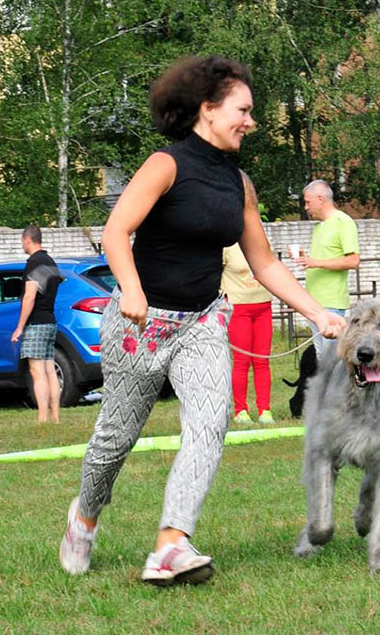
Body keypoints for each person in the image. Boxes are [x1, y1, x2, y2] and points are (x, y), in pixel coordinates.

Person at [59, 54, 346, 586]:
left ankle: (171, 544)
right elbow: (116, 232)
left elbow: (262, 263)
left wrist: (317, 313)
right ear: (208, 109)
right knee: (114, 440)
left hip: (202, 322)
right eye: (243, 110)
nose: (251, 122)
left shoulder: (239, 184)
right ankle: (85, 516)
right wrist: (133, 290)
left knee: (212, 422)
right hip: (141, 324)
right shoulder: (165, 165)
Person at [294, 179, 360, 359]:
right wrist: (306, 258)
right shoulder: (318, 227)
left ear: (321, 199)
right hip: (314, 305)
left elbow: (353, 261)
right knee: (323, 361)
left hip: (331, 305)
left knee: (334, 361)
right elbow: (322, 259)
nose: (306, 207)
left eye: (308, 202)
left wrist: (315, 262)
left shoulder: (343, 222)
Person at [11, 225, 62, 424]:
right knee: (50, 369)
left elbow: (30, 296)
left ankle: (42, 418)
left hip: (37, 322)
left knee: (36, 370)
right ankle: (55, 417)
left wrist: (20, 326)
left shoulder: (34, 262)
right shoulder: (50, 262)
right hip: (50, 320)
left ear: (27, 239)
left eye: (22, 241)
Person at [222, 242, 274, 425]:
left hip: (264, 306)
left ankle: (265, 410)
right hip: (238, 307)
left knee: (262, 360)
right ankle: (241, 410)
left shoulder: (262, 241)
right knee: (242, 360)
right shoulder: (227, 244)